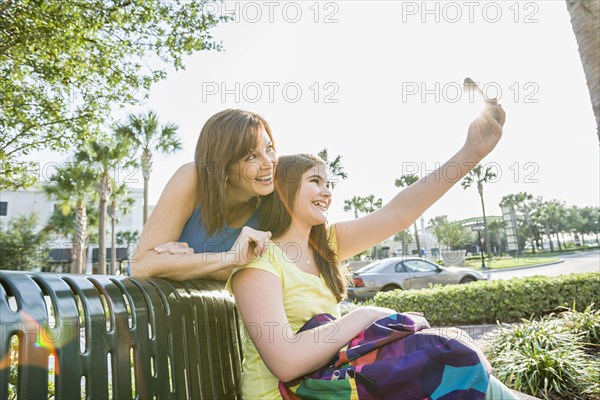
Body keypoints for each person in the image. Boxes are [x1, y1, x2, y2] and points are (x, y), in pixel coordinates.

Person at [227, 102, 519, 399]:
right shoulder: (259, 258)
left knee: (473, 376)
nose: (327, 193)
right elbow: (286, 362)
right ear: (283, 190)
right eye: (315, 182)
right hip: (287, 394)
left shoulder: (325, 245)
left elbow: (399, 212)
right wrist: (364, 314)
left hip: (333, 386)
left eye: (328, 183)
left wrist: (471, 153)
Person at [130, 109, 276, 281]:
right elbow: (141, 265)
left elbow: (263, 275)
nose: (269, 162)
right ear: (223, 168)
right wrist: (230, 259)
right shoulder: (192, 178)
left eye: (269, 148)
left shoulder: (279, 199)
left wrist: (179, 264)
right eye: (251, 156)